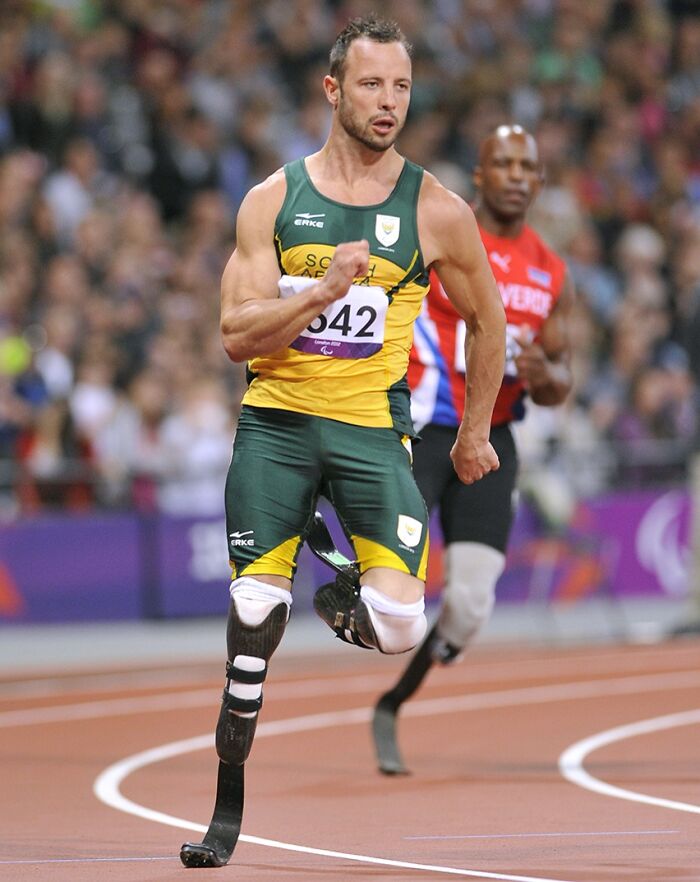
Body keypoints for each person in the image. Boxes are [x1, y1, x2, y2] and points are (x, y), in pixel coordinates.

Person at [179, 15, 506, 869]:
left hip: (370, 435)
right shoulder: (273, 200)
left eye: (401, 86)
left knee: (400, 626)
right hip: (278, 426)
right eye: (371, 84)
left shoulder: (436, 209)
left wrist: (474, 431)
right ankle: (225, 810)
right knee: (255, 619)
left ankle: (338, 600)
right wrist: (321, 291)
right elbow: (235, 335)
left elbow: (490, 319)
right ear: (333, 90)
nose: (388, 101)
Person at [372, 124, 575, 774]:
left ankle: (393, 702)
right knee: (392, 589)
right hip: (422, 427)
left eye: (526, 166)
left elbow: (560, 381)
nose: (516, 176)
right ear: (480, 176)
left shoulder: (551, 272)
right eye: (503, 164)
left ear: (539, 181)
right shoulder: (441, 230)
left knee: (468, 607)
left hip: (492, 438)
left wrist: (546, 376)